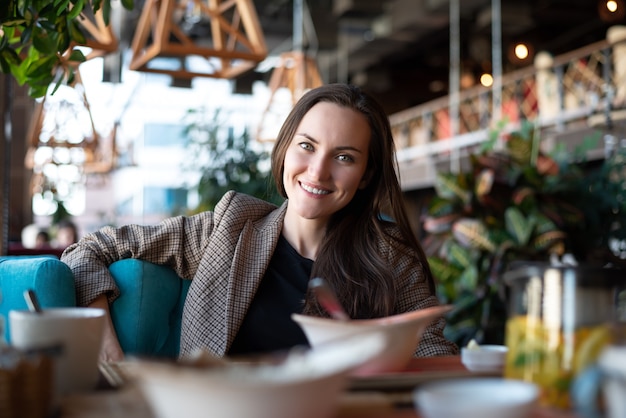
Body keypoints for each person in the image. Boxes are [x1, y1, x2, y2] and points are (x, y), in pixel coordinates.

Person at [61, 83, 458, 362]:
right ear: (285, 149)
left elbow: (431, 351)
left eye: (344, 157)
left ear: (366, 175)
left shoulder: (389, 257)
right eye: (307, 146)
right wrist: (109, 356)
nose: (317, 173)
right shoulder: (231, 227)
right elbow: (88, 249)